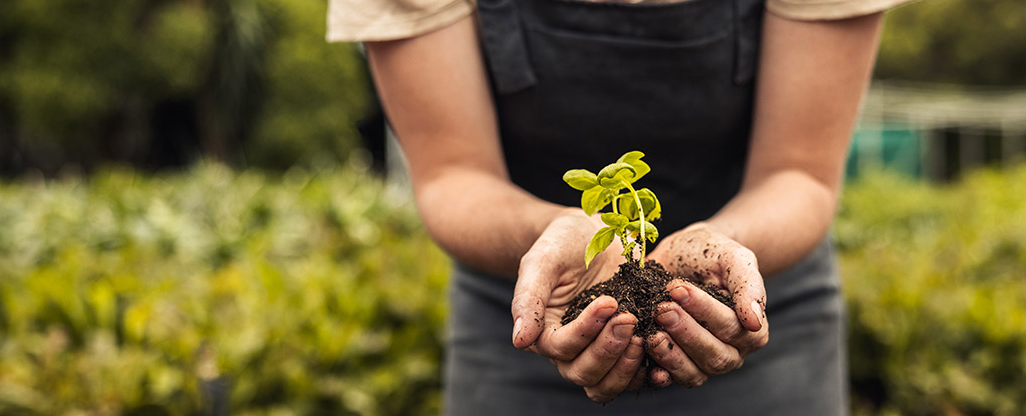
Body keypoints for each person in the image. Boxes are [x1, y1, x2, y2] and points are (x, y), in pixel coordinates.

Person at [329, 0, 913, 413]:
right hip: (528, 320)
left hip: (757, 307)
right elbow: (453, 174)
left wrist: (721, 242)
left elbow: (799, 172)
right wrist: (554, 231)